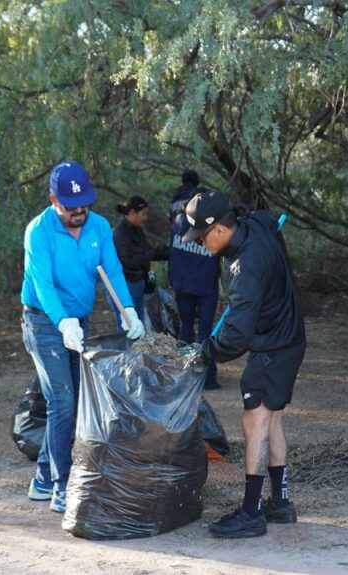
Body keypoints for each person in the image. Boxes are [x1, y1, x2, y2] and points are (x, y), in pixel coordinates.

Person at [20, 160, 145, 514]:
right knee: (62, 400)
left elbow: (113, 272)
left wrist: (128, 311)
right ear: (52, 198)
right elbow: (42, 285)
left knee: (76, 401)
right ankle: (62, 486)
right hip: (44, 323)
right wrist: (62, 322)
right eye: (71, 206)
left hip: (81, 321)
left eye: (85, 204)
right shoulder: (38, 232)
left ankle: (43, 478)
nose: (79, 212)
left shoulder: (100, 228)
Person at [184, 191, 306, 538]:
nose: (202, 244)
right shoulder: (255, 223)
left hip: (272, 345)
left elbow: (236, 335)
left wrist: (208, 351)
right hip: (290, 334)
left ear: (221, 229)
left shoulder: (245, 267)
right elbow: (270, 221)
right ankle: (280, 503)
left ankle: (252, 511)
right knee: (272, 419)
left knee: (254, 423)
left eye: (203, 237)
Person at [169, 171, 222, 389]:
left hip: (182, 283)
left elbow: (174, 251)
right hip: (204, 286)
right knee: (205, 332)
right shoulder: (211, 226)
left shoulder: (179, 219)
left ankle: (183, 377)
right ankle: (206, 378)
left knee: (185, 329)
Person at [110, 195, 170, 328]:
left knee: (139, 324)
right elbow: (128, 260)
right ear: (132, 213)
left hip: (138, 283)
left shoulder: (137, 230)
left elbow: (146, 251)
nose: (145, 218)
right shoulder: (120, 234)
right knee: (128, 327)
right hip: (126, 285)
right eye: (143, 214)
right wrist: (150, 254)